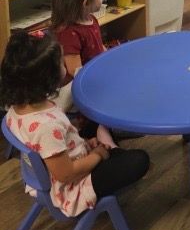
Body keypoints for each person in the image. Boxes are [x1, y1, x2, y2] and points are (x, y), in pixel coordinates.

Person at [0, 31, 149, 217]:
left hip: (62, 160)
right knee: (140, 160)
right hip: (72, 187)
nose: (65, 65)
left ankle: (108, 144)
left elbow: (53, 146)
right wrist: (97, 155)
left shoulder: (16, 109)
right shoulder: (46, 127)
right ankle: (110, 148)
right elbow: (66, 174)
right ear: (48, 79)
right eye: (62, 62)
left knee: (96, 118)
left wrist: (82, 143)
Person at [50, 0, 106, 112]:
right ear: (86, 3)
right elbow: (75, 70)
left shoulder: (91, 19)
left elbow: (99, 46)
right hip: (76, 86)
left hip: (94, 72)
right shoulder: (69, 33)